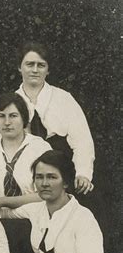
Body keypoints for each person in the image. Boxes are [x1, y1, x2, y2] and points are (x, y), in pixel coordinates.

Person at [15, 42, 95, 195]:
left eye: (41, 65)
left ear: (48, 70)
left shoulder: (64, 99)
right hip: (24, 173)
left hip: (62, 172)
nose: (34, 70)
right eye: (29, 64)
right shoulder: (11, 102)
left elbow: (82, 141)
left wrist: (82, 174)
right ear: (20, 67)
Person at [0, 93, 51, 215]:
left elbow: (46, 194)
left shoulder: (40, 148)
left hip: (36, 217)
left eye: (13, 116)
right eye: (1, 116)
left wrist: (2, 202)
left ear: (24, 118)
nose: (7, 122)